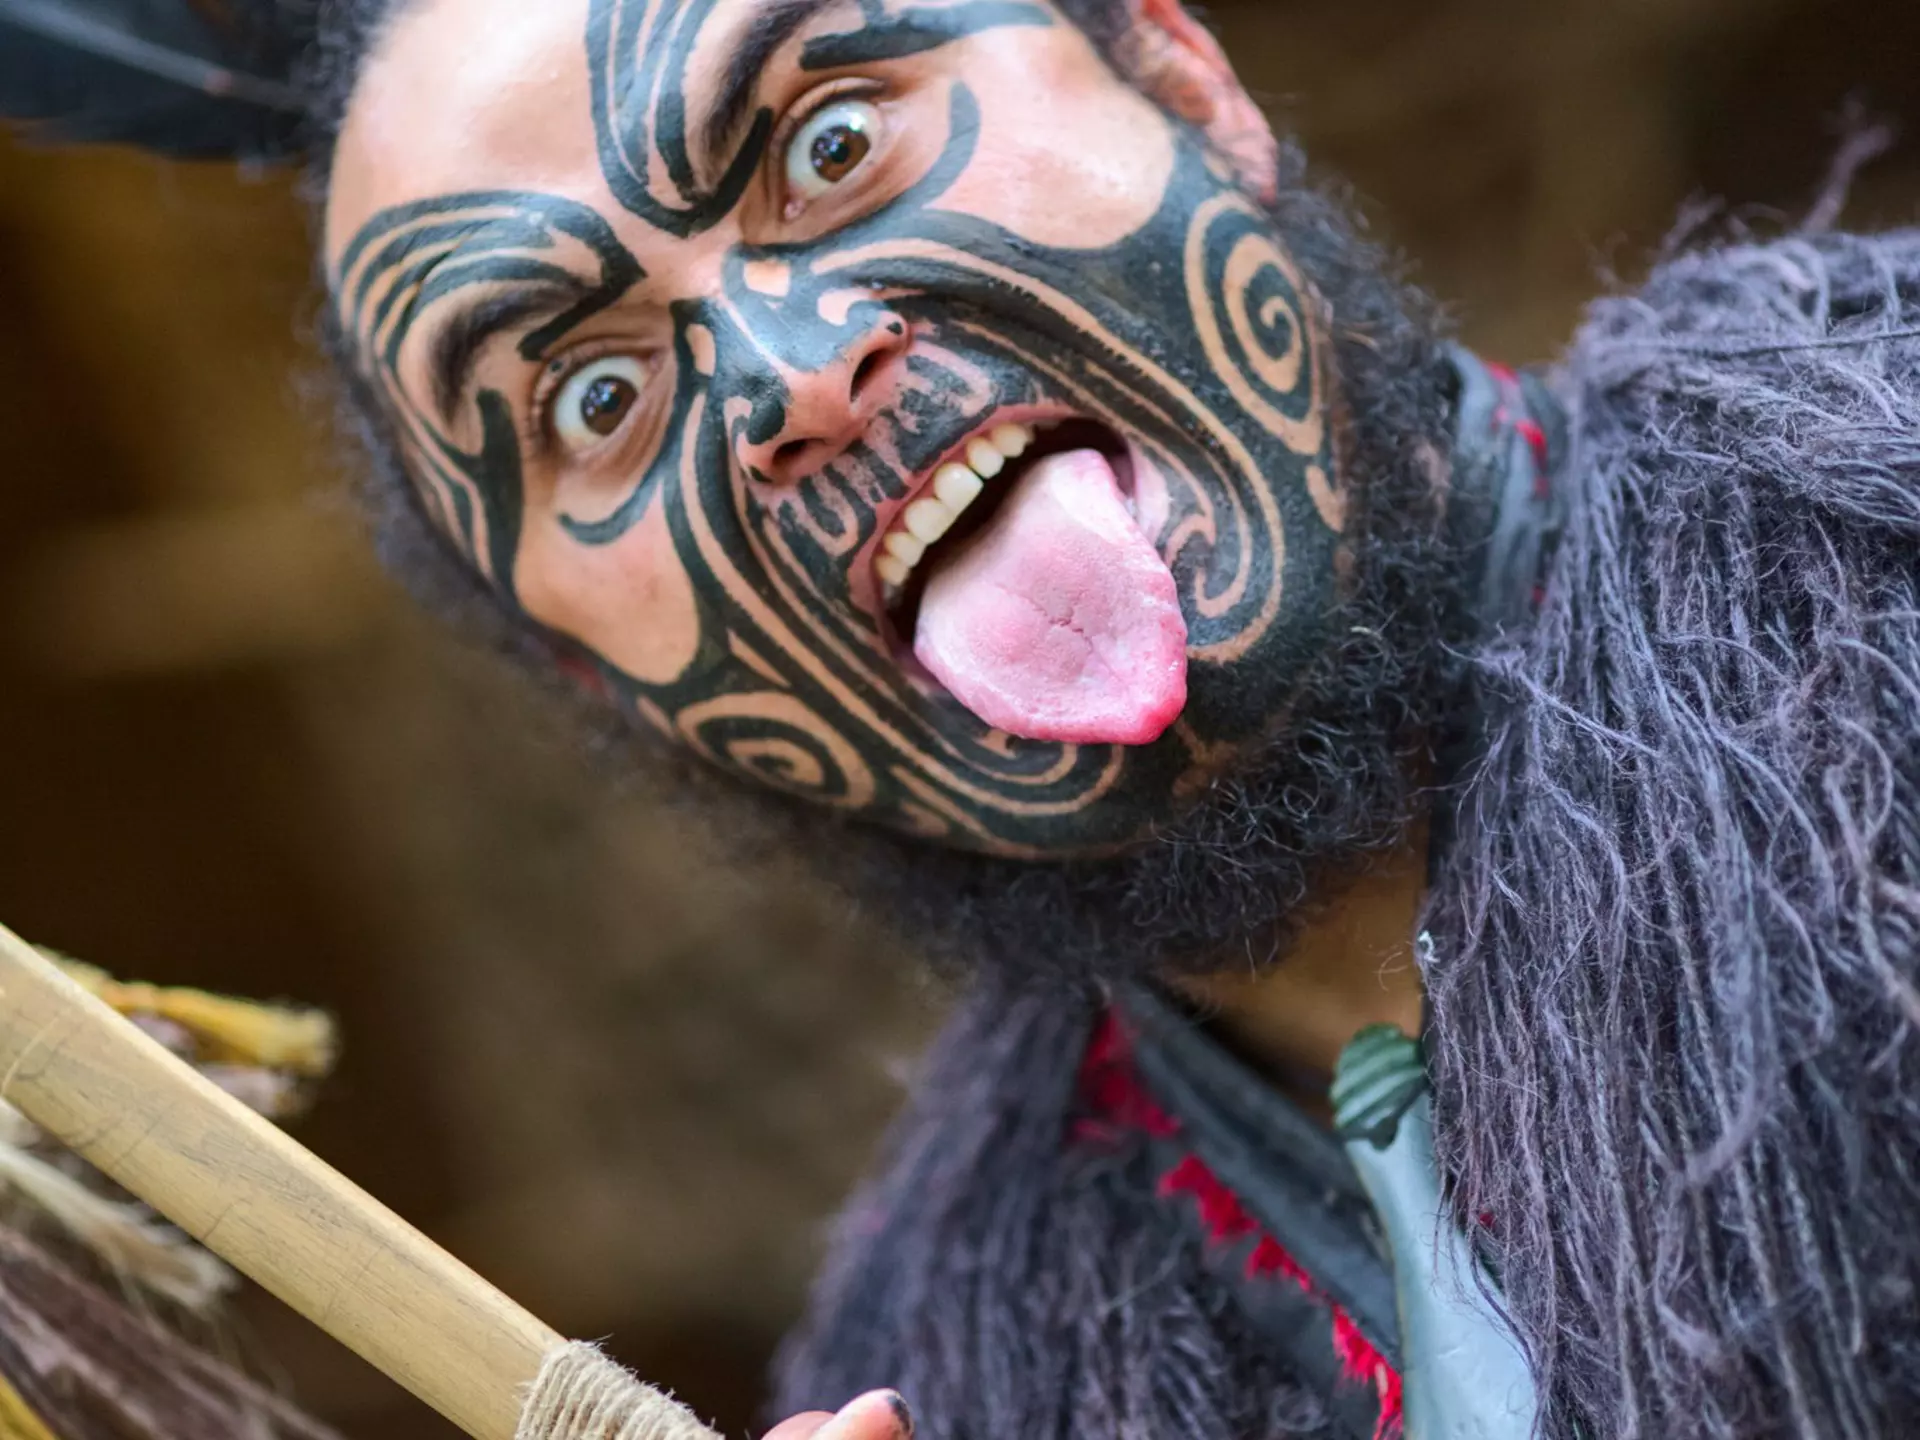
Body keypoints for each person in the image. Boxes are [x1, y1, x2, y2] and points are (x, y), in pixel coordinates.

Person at [8, 2, 1920, 1435]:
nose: (789, 380)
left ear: (1184, 79)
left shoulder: (1881, 511)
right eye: (592, 400)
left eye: (833, 142)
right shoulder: (962, 1356)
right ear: (595, 679)